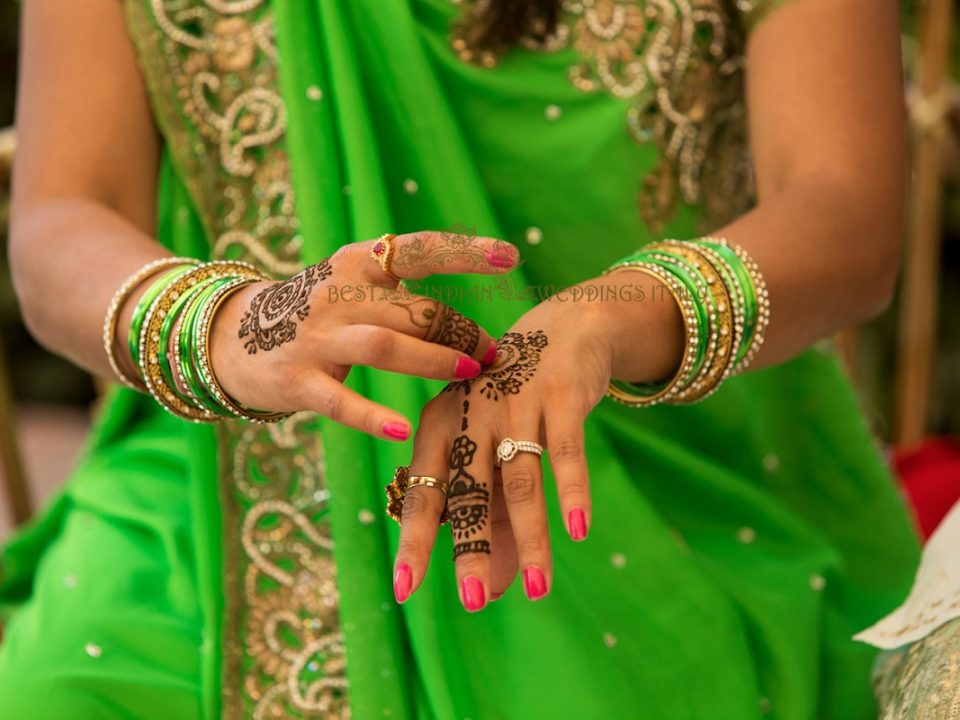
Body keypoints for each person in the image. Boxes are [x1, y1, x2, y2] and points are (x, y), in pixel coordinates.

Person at [0, 0, 919, 718]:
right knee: (61, 696)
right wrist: (230, 322)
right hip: (225, 476)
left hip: (645, 465)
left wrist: (603, 321)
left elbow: (847, 211)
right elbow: (58, 217)